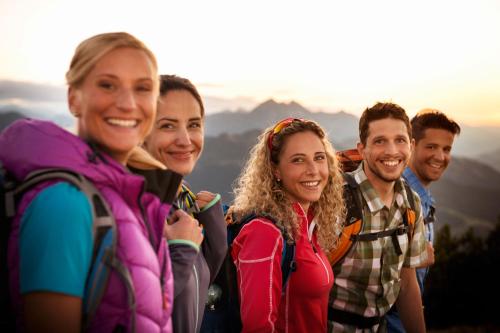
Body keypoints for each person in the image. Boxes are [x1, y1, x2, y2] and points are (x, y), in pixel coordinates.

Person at [0, 32, 202, 333]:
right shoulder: (64, 203)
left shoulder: (128, 199)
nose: (127, 103)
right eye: (107, 85)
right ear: (73, 98)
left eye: (143, 88)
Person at [230, 118, 345, 332]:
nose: (313, 170)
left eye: (319, 158)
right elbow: (258, 327)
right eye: (298, 160)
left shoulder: (310, 226)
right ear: (276, 171)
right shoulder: (265, 233)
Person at [328, 102, 428, 333]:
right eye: (380, 141)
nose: (392, 151)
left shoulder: (411, 204)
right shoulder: (337, 202)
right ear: (362, 149)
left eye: (400, 140)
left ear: (411, 146)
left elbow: (407, 284)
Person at [142, 75, 227, 333]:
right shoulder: (132, 210)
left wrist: (213, 228)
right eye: (167, 126)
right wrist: (181, 249)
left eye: (193, 124)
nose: (185, 140)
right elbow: (134, 313)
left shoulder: (178, 204)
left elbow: (196, 289)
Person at [386, 109, 461, 332]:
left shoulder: (422, 198)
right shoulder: (400, 196)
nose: (440, 157)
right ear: (411, 145)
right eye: (431, 147)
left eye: (446, 149)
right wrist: (414, 258)